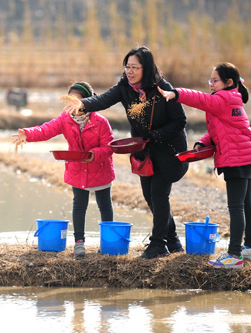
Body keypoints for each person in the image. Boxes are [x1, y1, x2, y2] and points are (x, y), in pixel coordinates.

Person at [64, 46, 189, 259]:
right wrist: (82, 104)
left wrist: (154, 135)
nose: (129, 71)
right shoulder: (125, 88)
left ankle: (158, 244)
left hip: (168, 150)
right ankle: (174, 241)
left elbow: (180, 121)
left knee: (159, 195)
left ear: (146, 68)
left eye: (134, 67)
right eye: (127, 67)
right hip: (144, 150)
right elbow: (102, 100)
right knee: (150, 197)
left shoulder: (163, 89)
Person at [158, 62, 251, 269]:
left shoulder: (221, 99)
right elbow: (220, 130)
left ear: (228, 82)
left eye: (215, 80)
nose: (211, 85)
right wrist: (203, 142)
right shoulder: (231, 99)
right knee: (246, 203)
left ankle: (234, 255)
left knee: (237, 206)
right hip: (246, 155)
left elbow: (199, 99)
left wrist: (176, 94)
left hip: (236, 158)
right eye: (210, 80)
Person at [13, 82, 115, 257]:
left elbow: (109, 146)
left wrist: (94, 154)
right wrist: (28, 134)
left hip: (100, 169)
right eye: (69, 101)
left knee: (105, 206)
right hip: (77, 169)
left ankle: (108, 243)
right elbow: (45, 130)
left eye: (76, 101)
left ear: (88, 102)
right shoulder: (65, 119)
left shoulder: (101, 122)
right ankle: (79, 243)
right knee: (79, 205)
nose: (72, 106)